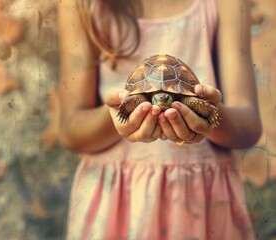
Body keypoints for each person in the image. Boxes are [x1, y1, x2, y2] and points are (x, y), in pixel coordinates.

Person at [57, 0, 262, 239]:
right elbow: (71, 131)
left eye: (166, 97)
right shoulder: (81, 4)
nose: (162, 100)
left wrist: (208, 115)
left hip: (200, 198)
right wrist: (118, 116)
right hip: (118, 199)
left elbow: (248, 125)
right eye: (159, 97)